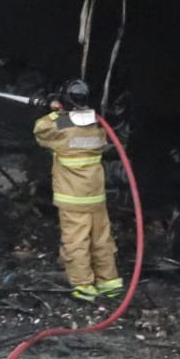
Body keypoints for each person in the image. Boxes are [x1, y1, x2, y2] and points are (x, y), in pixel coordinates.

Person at [33, 79, 121, 302]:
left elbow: (40, 130)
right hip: (96, 197)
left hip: (72, 199)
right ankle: (109, 282)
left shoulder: (60, 126)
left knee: (77, 241)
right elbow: (98, 136)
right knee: (101, 239)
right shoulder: (96, 126)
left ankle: (83, 286)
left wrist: (53, 110)